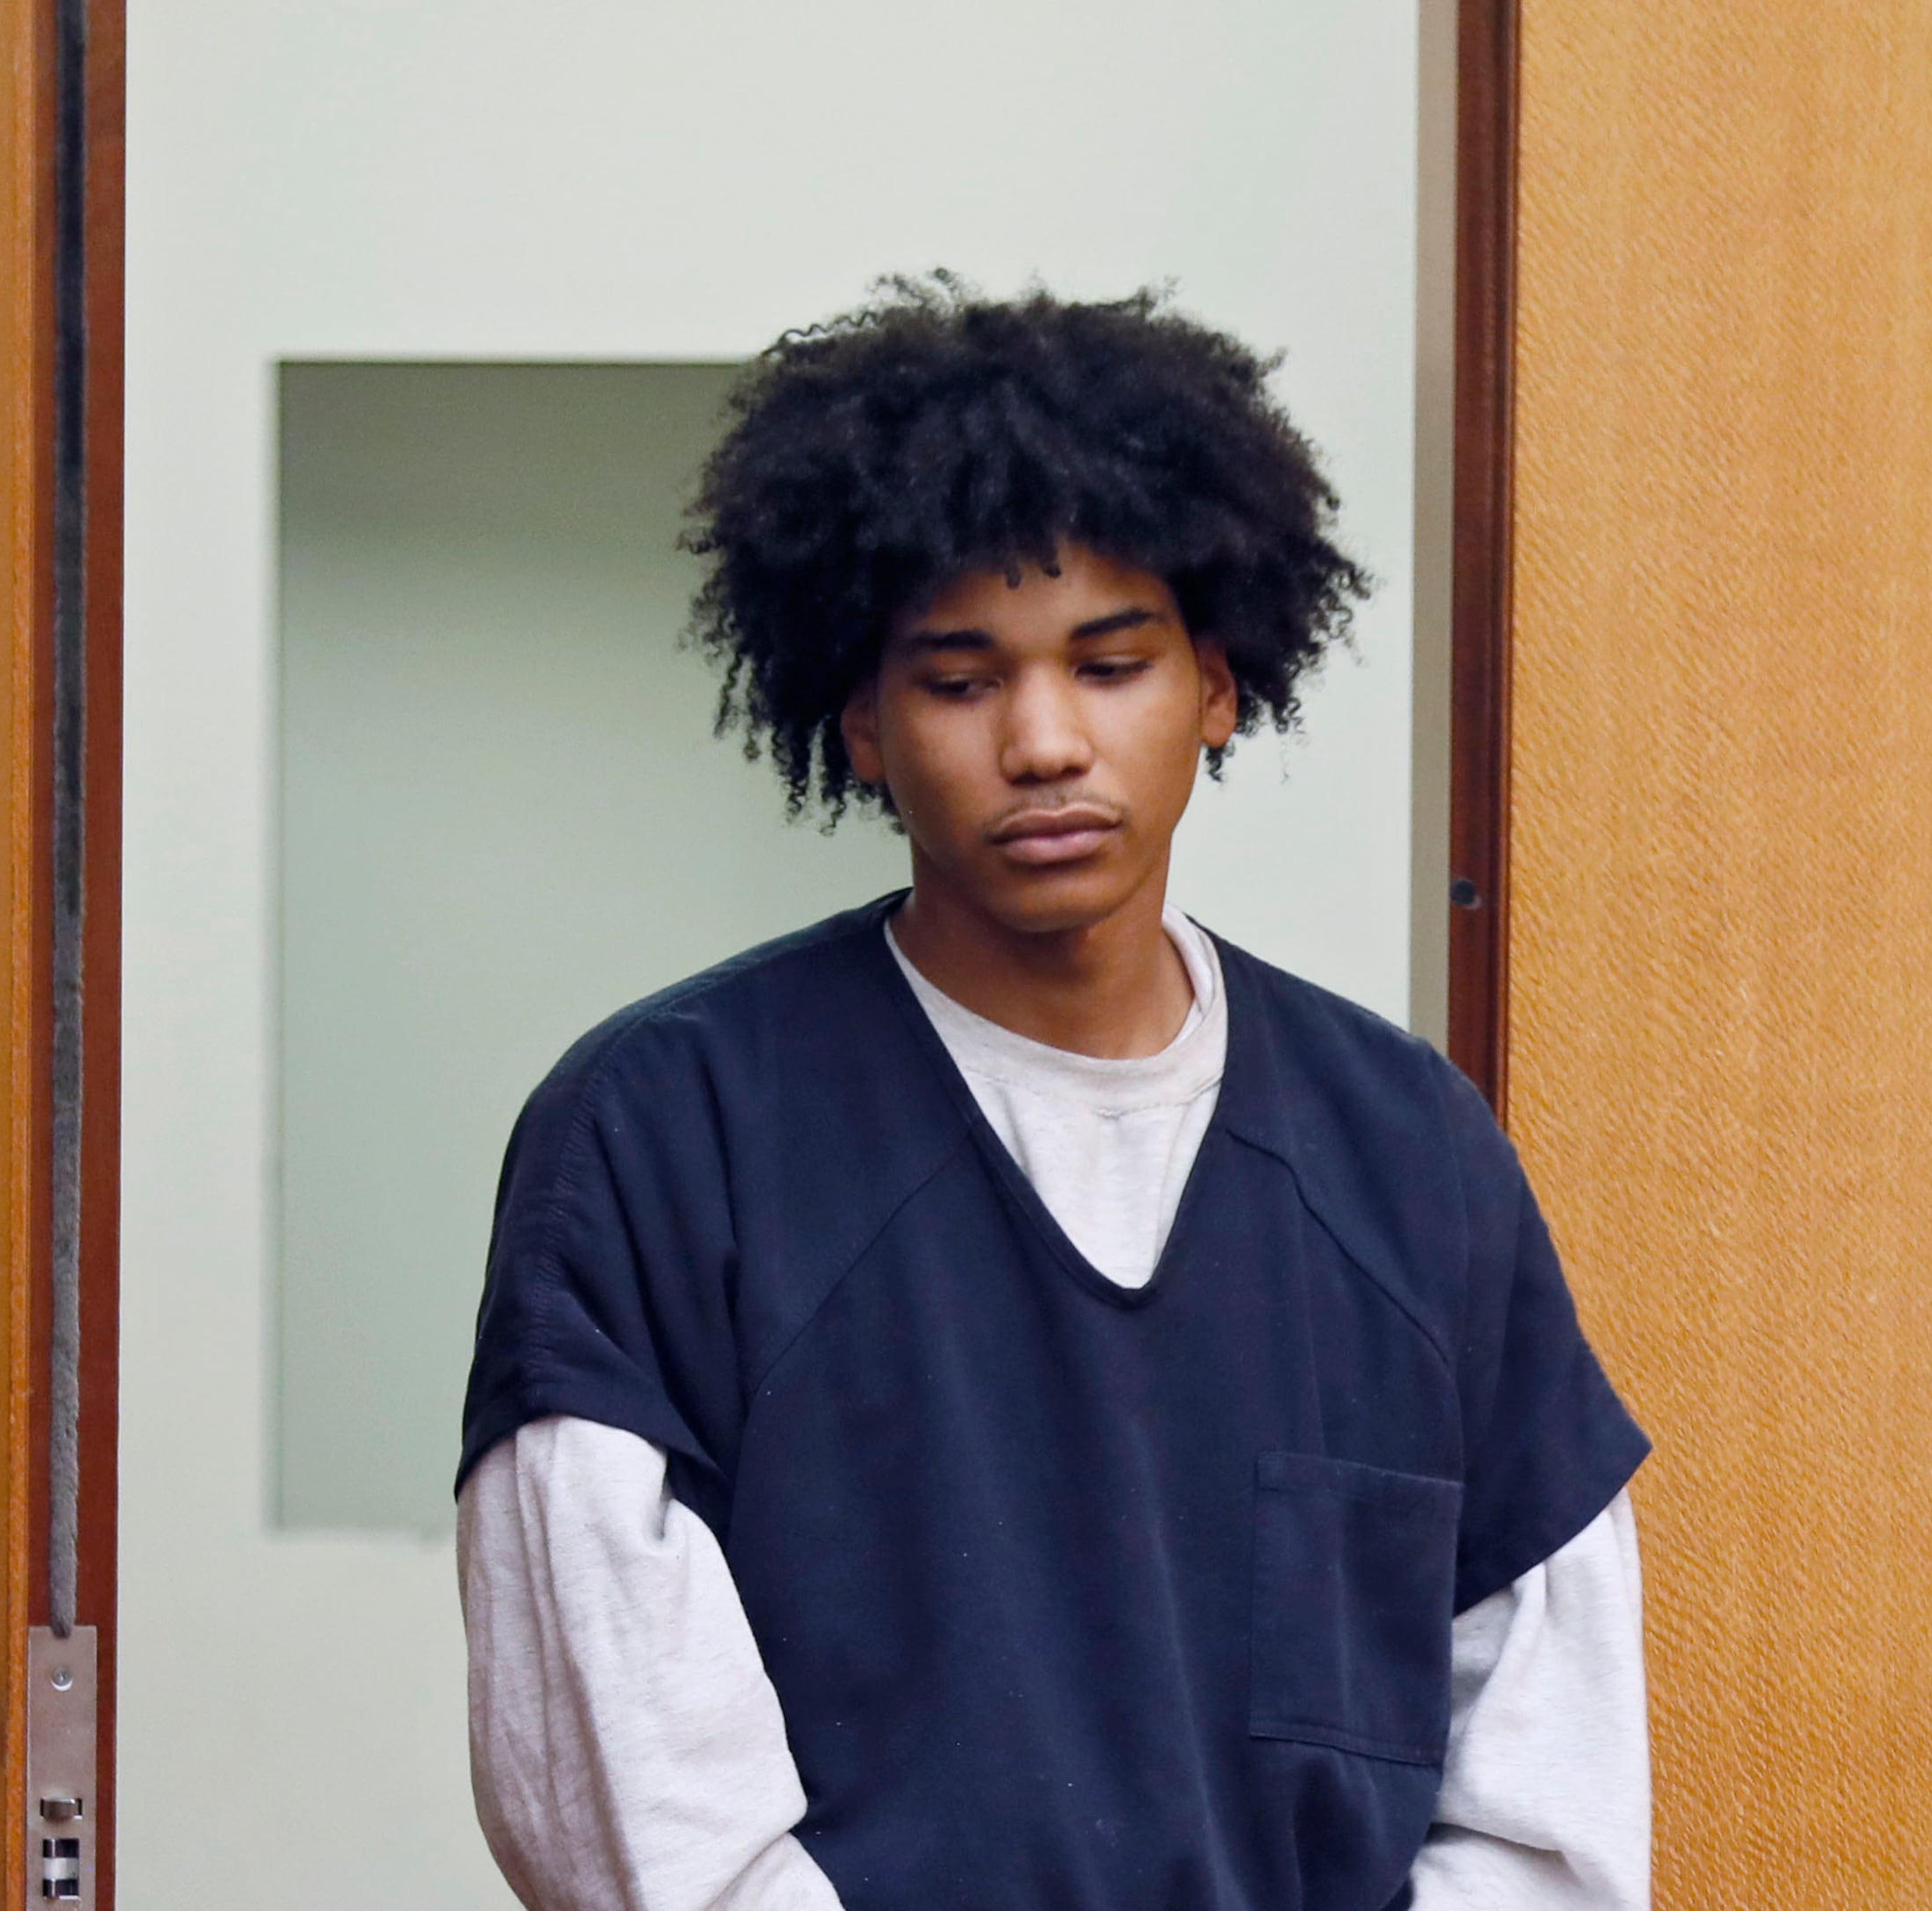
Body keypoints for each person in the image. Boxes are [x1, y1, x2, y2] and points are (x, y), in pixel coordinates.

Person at [456, 280, 1651, 1911]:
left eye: (1111, 663)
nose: (1042, 740)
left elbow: (1544, 1799)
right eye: (959, 679)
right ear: (861, 723)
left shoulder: (1409, 1155)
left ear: (1219, 687)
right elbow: (635, 1811)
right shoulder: (668, 1141)